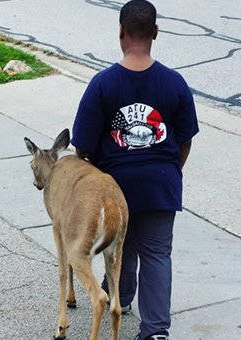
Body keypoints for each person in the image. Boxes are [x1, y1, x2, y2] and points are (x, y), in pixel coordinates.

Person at [71, 1, 199, 339]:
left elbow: (81, 146)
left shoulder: (103, 84)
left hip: (116, 183)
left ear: (120, 32)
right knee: (157, 253)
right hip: (162, 182)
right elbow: (185, 140)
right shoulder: (174, 83)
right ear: (155, 32)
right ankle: (155, 330)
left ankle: (118, 297)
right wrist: (170, 170)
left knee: (119, 244)